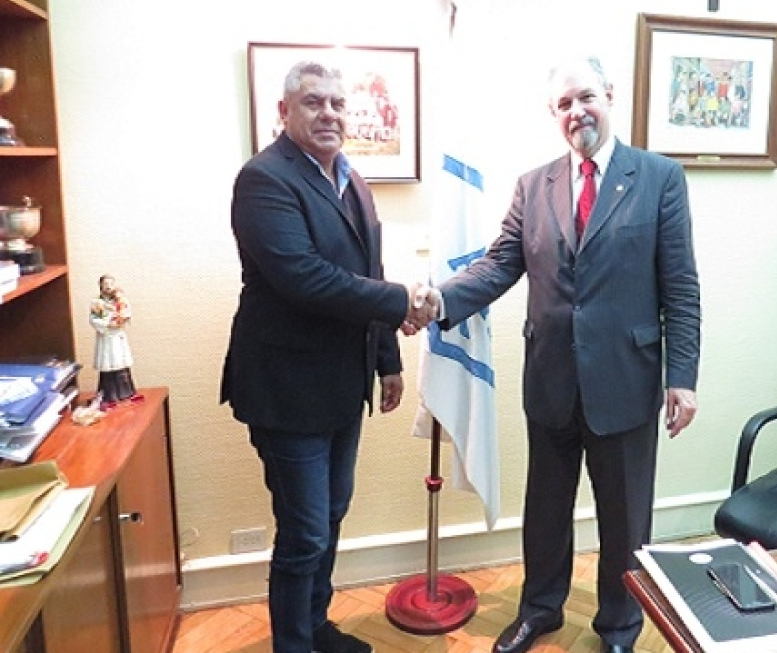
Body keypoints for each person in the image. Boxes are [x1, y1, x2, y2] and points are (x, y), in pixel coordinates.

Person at [430, 56, 701, 653]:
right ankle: (540, 610)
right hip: (551, 377)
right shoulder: (534, 185)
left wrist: (682, 377)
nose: (577, 111)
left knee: (625, 519)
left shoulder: (659, 178)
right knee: (546, 512)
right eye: (563, 104)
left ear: (609, 95)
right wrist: (438, 300)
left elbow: (681, 287)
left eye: (586, 97)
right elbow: (499, 265)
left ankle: (620, 627)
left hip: (626, 380)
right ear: (552, 114)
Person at [220, 60, 435, 653]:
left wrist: (387, 359)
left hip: (342, 383)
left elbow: (369, 270)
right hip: (286, 390)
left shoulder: (351, 178)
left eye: (338, 104)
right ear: (284, 111)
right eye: (314, 102)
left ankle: (315, 627)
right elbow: (304, 278)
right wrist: (400, 301)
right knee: (304, 532)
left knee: (332, 514)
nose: (329, 114)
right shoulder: (264, 179)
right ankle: (294, 644)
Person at [89, 274, 138, 403]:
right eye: (106, 284)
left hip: (118, 335)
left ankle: (126, 391)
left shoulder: (120, 299)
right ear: (101, 285)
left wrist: (121, 319)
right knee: (107, 362)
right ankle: (109, 394)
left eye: (111, 284)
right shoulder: (97, 302)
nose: (108, 287)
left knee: (120, 361)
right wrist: (106, 323)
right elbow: (93, 319)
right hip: (106, 336)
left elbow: (126, 312)